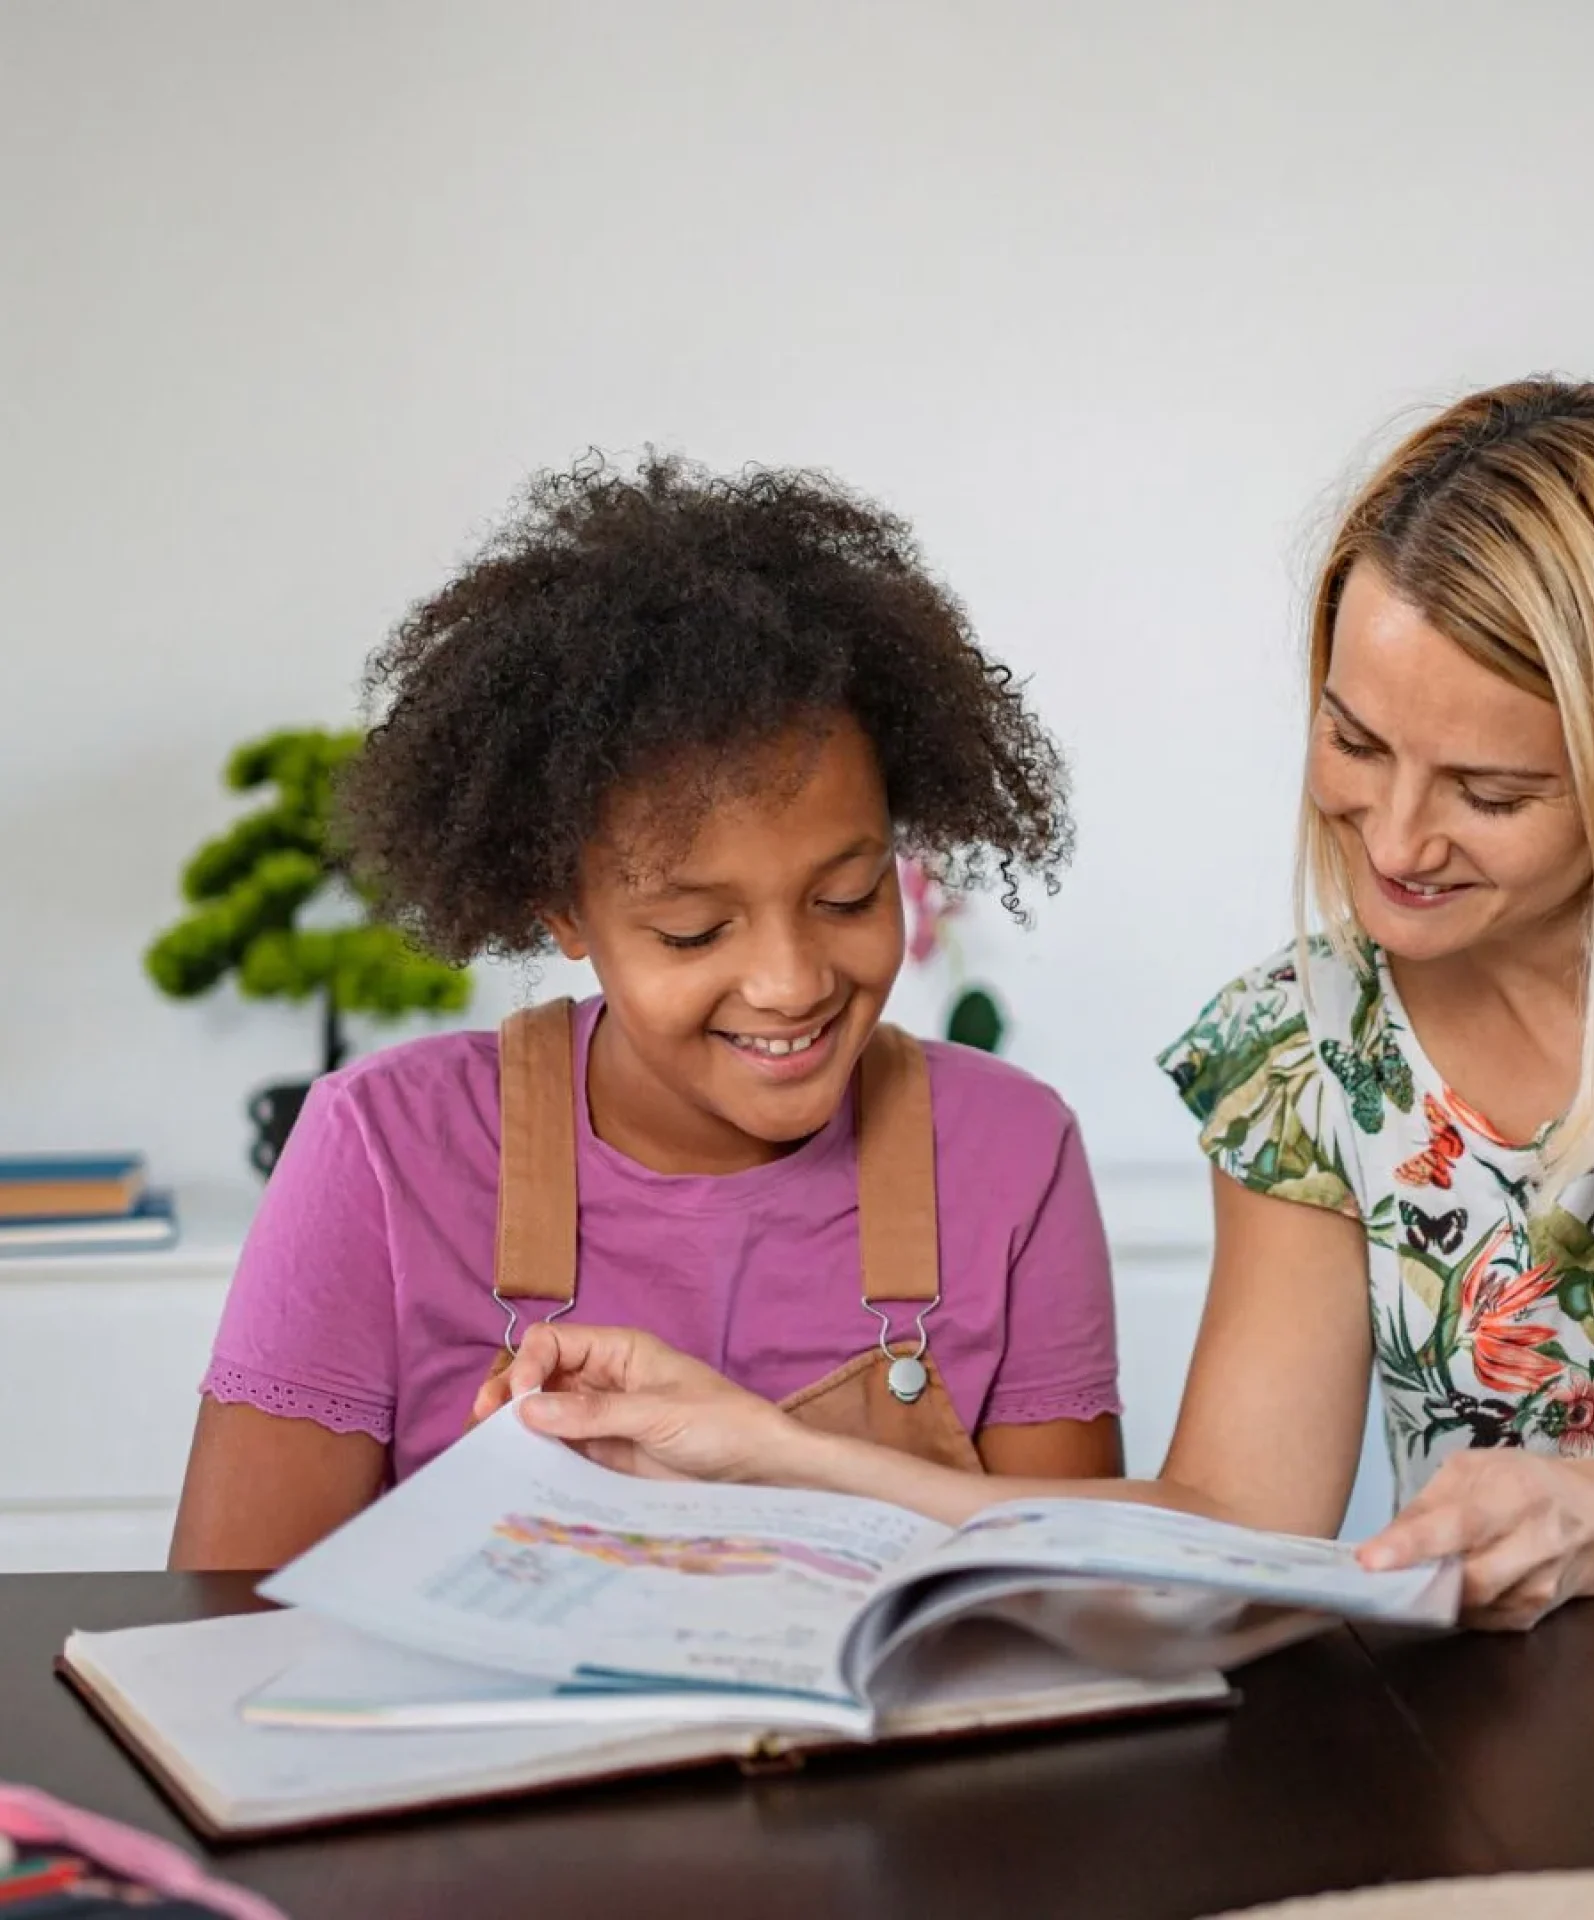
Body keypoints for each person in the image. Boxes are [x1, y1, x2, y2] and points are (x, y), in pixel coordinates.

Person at [476, 380, 1594, 1630]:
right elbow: (1224, 1539)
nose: (1398, 839)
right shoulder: (1309, 1055)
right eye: (1354, 741)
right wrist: (757, 1451)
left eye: (1492, 793)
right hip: (1529, 1771)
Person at [169, 455, 1123, 1572]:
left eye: (846, 897)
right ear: (562, 909)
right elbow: (225, 1637)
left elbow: (1080, 1613)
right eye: (693, 931)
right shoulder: (384, 1153)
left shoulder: (1011, 1154)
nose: (790, 982)